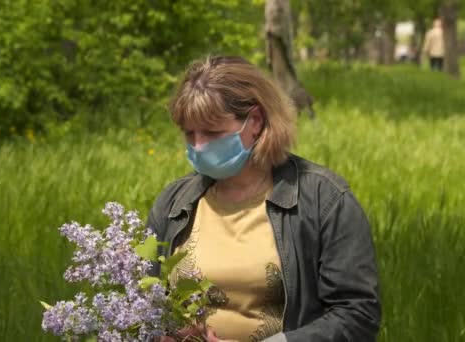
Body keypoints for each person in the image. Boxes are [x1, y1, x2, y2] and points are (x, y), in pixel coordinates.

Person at [147, 56, 381, 342]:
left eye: (211, 132)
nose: (198, 146)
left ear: (255, 121)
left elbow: (357, 315)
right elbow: (144, 302)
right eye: (189, 134)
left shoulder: (323, 199)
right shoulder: (173, 202)